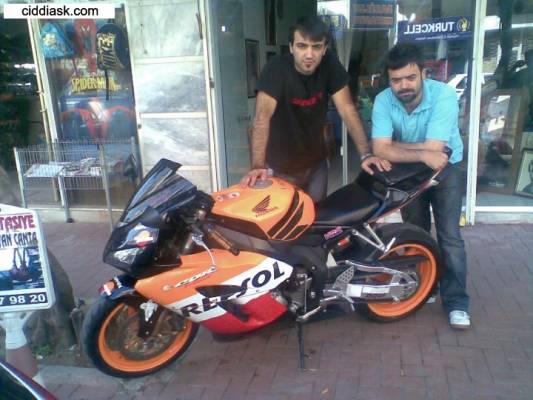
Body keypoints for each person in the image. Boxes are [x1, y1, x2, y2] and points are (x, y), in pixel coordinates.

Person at [371, 43, 470, 330]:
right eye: (396, 80)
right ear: (389, 79)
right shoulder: (383, 100)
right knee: (416, 233)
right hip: (410, 172)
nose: (403, 85)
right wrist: (420, 152)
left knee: (450, 238)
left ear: (424, 74)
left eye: (410, 77)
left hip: (446, 169)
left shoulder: (444, 95)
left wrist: (396, 147)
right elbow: (380, 148)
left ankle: (457, 302)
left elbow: (435, 150)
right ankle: (427, 287)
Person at [240, 16, 390, 201]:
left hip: (316, 165)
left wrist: (366, 154)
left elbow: (347, 109)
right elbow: (262, 117)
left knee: (318, 216)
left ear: (324, 49)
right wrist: (257, 166)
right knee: (289, 218)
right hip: (281, 168)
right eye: (302, 46)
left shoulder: (330, 64)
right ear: (291, 47)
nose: (309, 54)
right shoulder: (276, 69)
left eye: (316, 47)